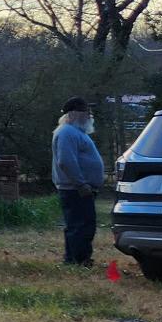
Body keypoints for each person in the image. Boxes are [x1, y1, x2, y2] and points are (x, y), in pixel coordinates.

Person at [51, 96, 106, 266]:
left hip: (80, 188)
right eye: (86, 112)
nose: (89, 115)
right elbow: (66, 161)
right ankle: (76, 260)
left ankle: (80, 258)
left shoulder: (75, 132)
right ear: (74, 114)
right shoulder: (67, 132)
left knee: (83, 224)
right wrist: (80, 184)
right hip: (75, 189)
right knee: (79, 225)